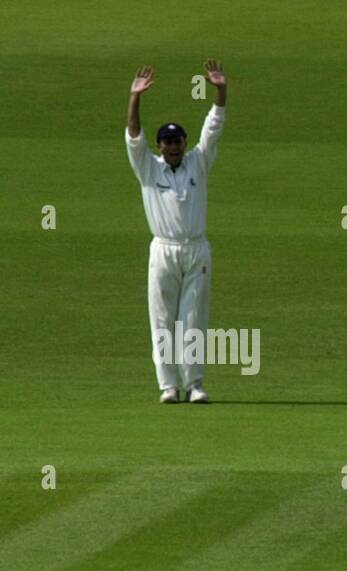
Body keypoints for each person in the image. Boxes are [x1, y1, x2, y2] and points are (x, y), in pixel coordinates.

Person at [125, 61, 227, 404]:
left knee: (194, 318)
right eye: (167, 142)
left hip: (196, 250)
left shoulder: (198, 161)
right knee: (162, 319)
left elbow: (212, 130)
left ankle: (194, 383)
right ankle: (168, 386)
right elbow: (134, 137)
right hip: (163, 251)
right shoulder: (147, 169)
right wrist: (135, 98)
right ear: (160, 146)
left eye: (177, 141)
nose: (173, 146)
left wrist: (221, 92)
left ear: (184, 142)